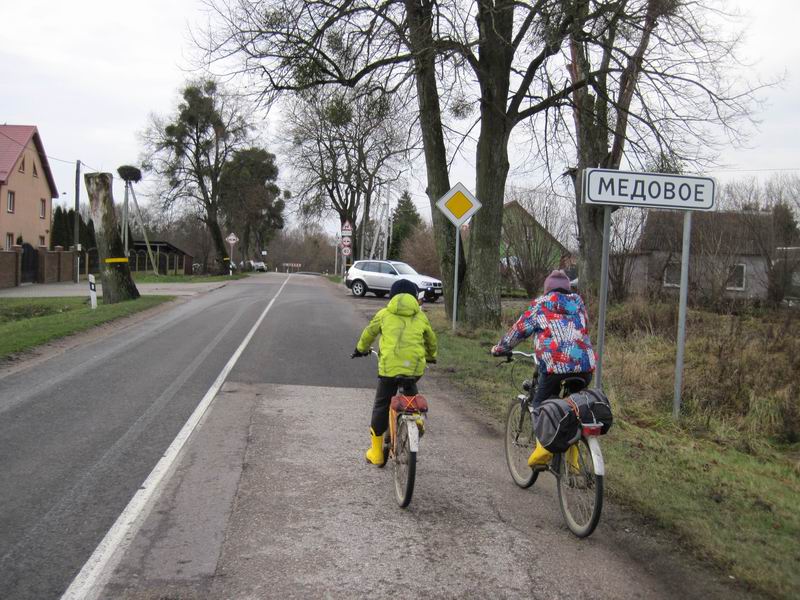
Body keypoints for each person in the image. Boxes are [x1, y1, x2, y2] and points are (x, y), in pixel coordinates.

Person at [491, 269, 595, 466]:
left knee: (540, 404)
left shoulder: (540, 304)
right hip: (584, 365)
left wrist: (500, 348)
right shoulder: (578, 303)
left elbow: (519, 330)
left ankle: (544, 449)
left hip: (554, 366)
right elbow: (583, 328)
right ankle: (573, 460)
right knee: (575, 408)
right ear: (568, 289)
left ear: (547, 289)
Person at [352, 279, 438, 465]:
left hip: (389, 369)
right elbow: (431, 339)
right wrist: (431, 356)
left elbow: (369, 333)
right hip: (414, 367)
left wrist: (360, 349)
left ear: (391, 296)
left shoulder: (384, 314)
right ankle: (416, 419)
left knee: (382, 404)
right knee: (410, 390)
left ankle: (376, 453)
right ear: (414, 297)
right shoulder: (421, 316)